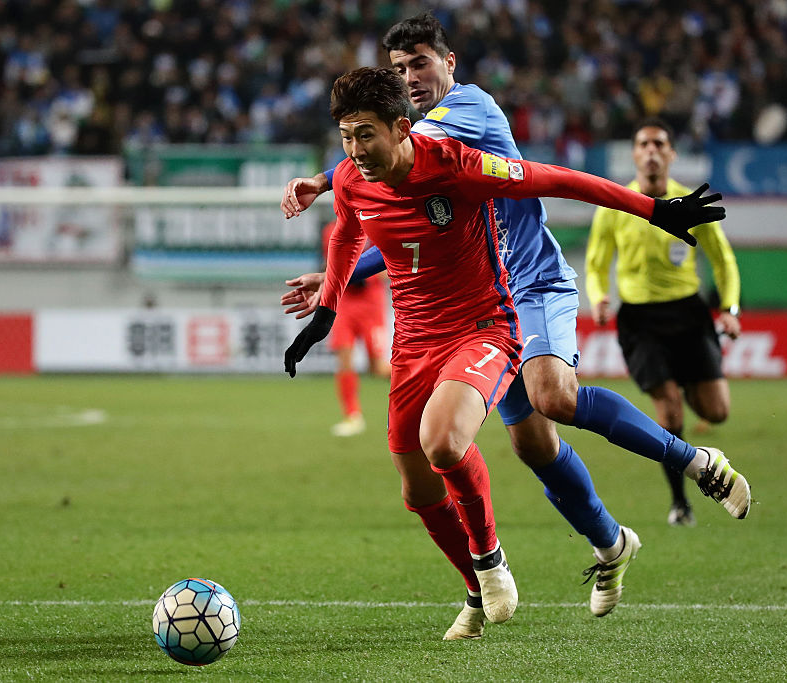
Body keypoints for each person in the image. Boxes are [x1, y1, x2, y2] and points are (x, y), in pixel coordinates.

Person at [281, 14, 751, 635]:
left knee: (552, 397)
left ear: (450, 63)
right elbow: (399, 218)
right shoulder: (386, 147)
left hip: (526, 285)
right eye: (397, 69)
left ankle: (695, 460)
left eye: (420, 63)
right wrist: (340, 275)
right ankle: (611, 545)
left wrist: (323, 177)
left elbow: (538, 176)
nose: (410, 78)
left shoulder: (465, 113)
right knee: (533, 444)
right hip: (462, 297)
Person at [586, 117, 742, 527]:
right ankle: (680, 503)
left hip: (688, 314)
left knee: (717, 411)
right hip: (641, 320)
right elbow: (596, 262)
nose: (652, 151)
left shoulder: (689, 204)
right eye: (644, 144)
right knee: (670, 416)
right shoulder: (617, 206)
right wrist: (599, 296)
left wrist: (730, 308)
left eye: (659, 144)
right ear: (635, 154)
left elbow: (723, 260)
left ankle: (686, 381)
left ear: (672, 154)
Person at [315, 219, 391, 437]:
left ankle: (423, 389)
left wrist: (365, 273)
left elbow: (391, 263)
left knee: (377, 368)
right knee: (344, 357)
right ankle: (352, 416)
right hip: (344, 302)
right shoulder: (330, 230)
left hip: (371, 304)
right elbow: (329, 263)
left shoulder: (376, 225)